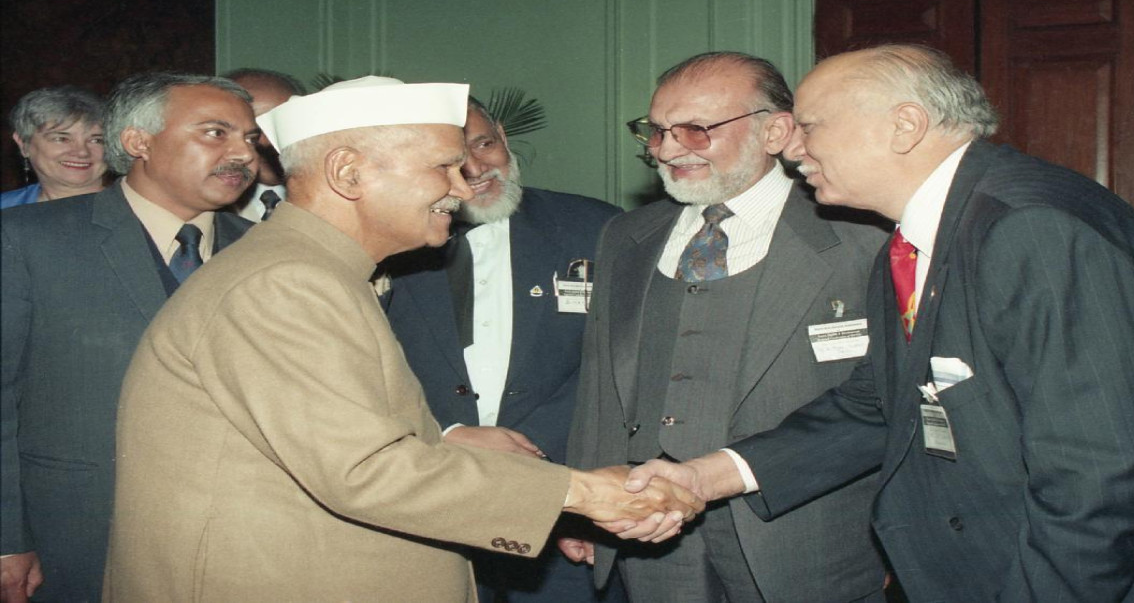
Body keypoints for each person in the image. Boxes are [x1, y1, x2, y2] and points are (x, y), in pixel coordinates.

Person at [625, 44, 1134, 601]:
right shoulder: (915, 239)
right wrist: (703, 476)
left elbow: (1103, 476)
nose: (790, 146)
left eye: (810, 126)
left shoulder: (1028, 227)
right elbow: (878, 405)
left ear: (905, 126)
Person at [102, 76, 702, 602]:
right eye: (442, 167)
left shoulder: (316, 271)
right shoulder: (285, 284)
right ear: (348, 173)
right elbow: (366, 470)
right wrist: (582, 493)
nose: (463, 189)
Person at [566, 52, 890, 603]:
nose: (668, 150)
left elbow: (889, 401)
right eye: (657, 131)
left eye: (696, 130)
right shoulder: (627, 235)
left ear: (775, 132)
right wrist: (583, 502)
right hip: (651, 527)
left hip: (807, 534)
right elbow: (601, 382)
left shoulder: (861, 235)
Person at [0, 73, 258, 602]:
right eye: (216, 133)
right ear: (139, 141)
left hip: (239, 536)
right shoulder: (29, 238)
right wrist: (7, 539)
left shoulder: (264, 251)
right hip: (76, 532)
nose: (243, 154)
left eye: (250, 138)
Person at [386, 96, 625, 602]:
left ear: (504, 137)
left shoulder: (596, 227)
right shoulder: (387, 243)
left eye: (484, 144)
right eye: (452, 159)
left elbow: (626, 362)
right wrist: (445, 435)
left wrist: (550, 464)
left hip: (565, 513)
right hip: (424, 507)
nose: (476, 169)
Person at [3, 86, 107, 208]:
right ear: (23, 144)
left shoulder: (126, 210)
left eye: (96, 140)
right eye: (61, 139)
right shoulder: (6, 208)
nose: (82, 152)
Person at [223, 68, 306, 221]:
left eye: (280, 124)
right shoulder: (204, 207)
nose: (265, 140)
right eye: (253, 130)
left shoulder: (335, 203)